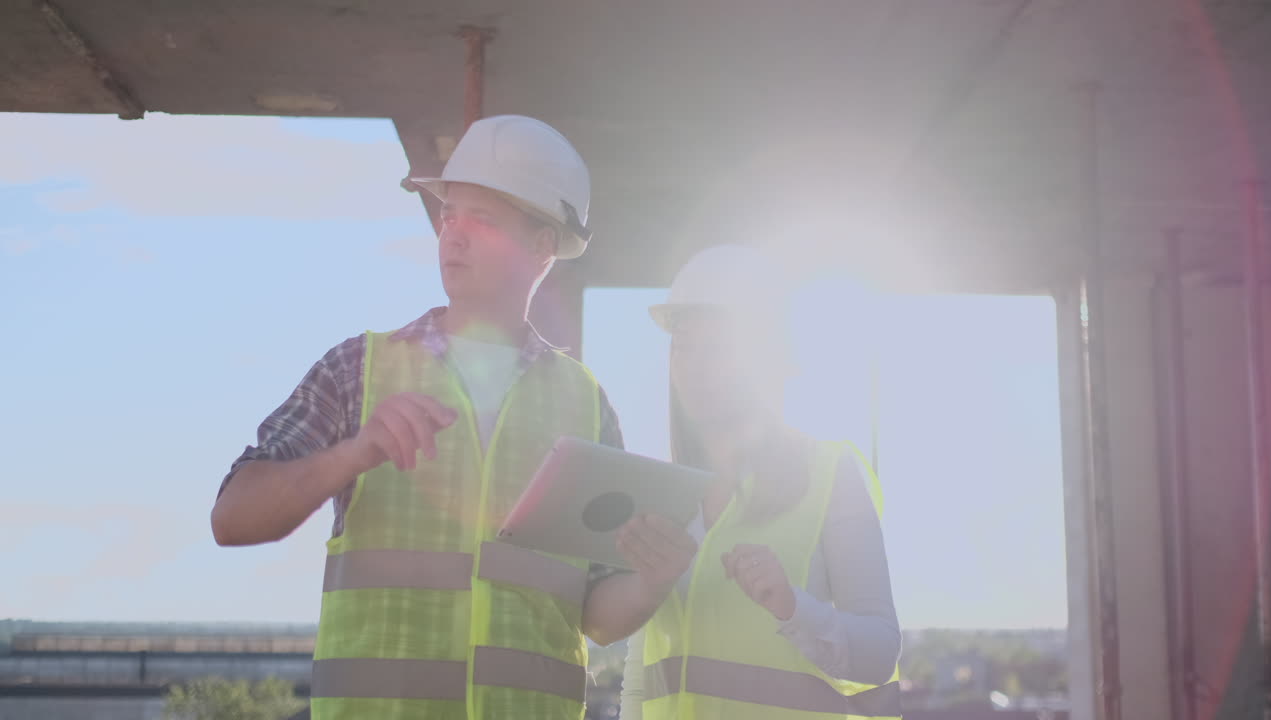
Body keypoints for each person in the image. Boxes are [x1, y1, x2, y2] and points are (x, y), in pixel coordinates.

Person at [211, 115, 673, 720]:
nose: (452, 235)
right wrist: (354, 453)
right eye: (448, 215)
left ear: (541, 247)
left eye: (481, 218)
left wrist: (653, 579)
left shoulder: (586, 403)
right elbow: (232, 517)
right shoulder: (360, 368)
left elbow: (597, 614)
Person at [615, 244, 903, 720]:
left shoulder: (832, 475)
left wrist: (793, 607)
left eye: (719, 347)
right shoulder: (662, 492)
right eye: (684, 345)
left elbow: (880, 653)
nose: (695, 365)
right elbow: (640, 676)